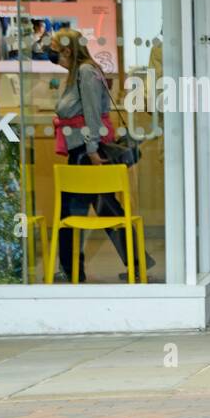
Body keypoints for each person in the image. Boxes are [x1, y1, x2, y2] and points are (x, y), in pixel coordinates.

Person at [49, 31, 154, 283]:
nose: (49, 53)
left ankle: (72, 270)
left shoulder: (85, 72)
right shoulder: (81, 72)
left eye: (54, 48)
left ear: (67, 50)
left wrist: (92, 150)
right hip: (87, 150)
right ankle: (137, 262)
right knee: (108, 210)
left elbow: (92, 114)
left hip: (85, 153)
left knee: (71, 213)